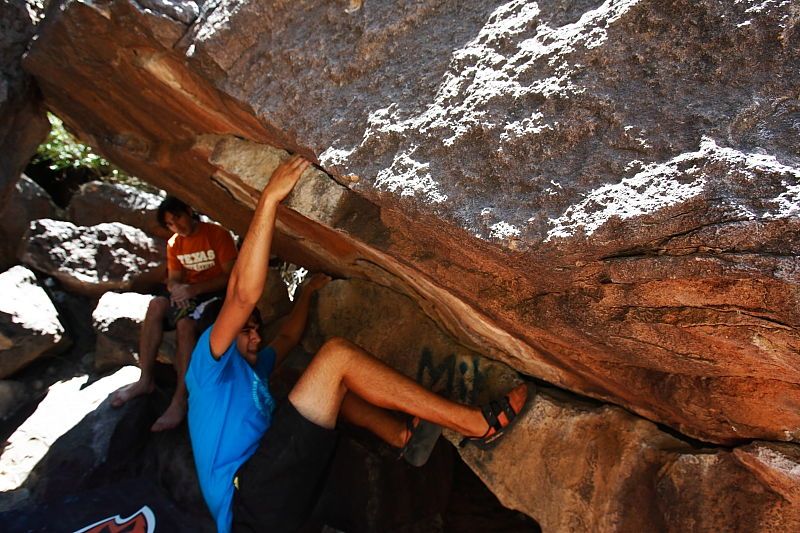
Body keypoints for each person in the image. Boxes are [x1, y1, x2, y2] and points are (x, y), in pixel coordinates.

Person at [186, 155, 528, 533]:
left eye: (255, 328)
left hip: (273, 500)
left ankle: (401, 435)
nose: (254, 334)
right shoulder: (208, 366)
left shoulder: (256, 368)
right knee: (336, 358)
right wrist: (268, 200)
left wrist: (308, 293)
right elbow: (240, 296)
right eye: (244, 330)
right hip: (248, 502)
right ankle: (472, 423)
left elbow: (287, 337)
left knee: (324, 380)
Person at [111, 195, 238, 431]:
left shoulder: (216, 234)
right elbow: (174, 279)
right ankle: (145, 379)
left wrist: (193, 289)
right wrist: (177, 289)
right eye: (169, 224)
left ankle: (180, 399)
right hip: (189, 295)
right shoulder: (174, 244)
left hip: (214, 296)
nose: (176, 227)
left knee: (185, 325)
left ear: (189, 210)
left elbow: (230, 275)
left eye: (177, 217)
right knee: (157, 304)